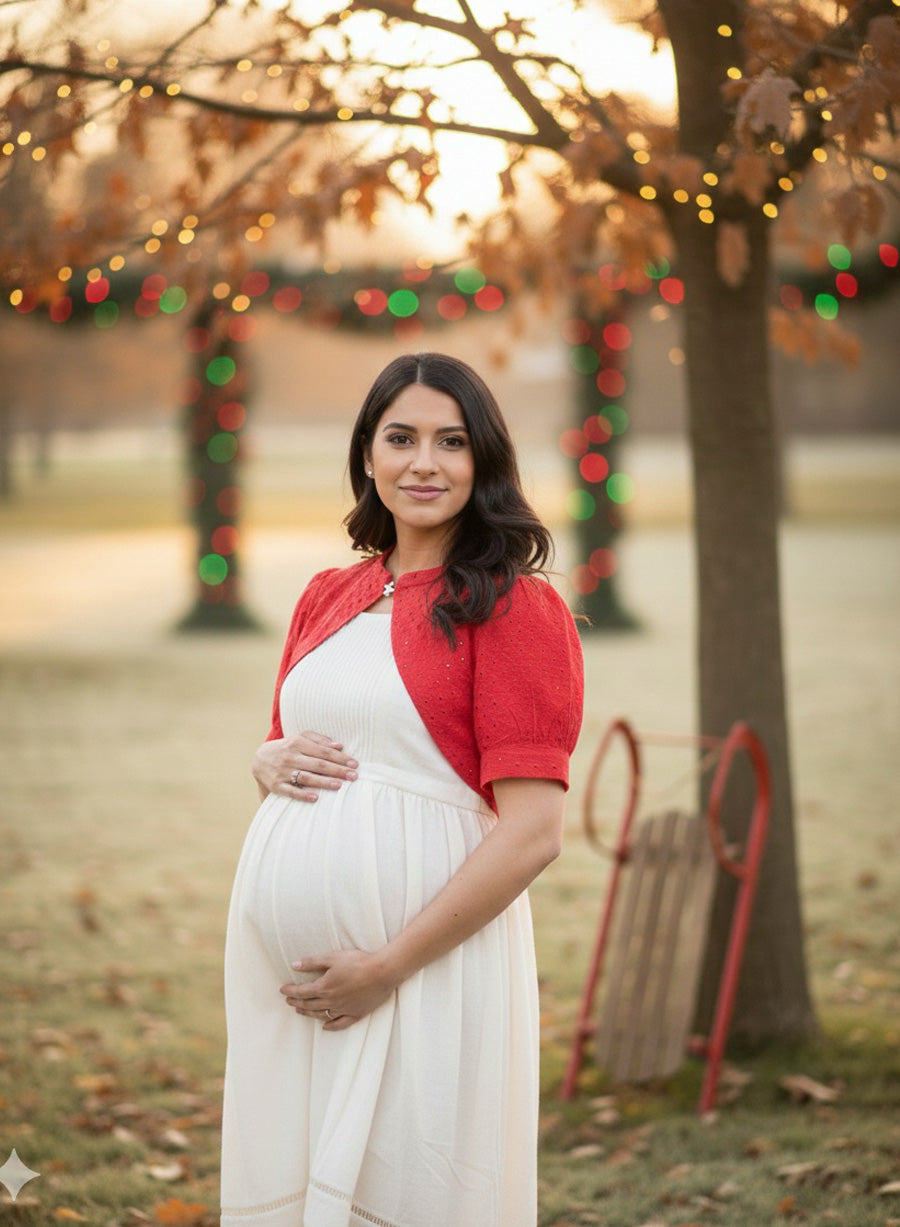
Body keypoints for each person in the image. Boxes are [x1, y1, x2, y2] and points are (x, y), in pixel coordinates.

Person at [220, 352, 584, 1227]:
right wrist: (261, 761)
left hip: (423, 969)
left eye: (452, 442)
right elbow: (288, 744)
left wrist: (386, 966)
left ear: (483, 461)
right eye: (402, 437)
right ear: (369, 454)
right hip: (295, 992)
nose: (425, 462)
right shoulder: (327, 593)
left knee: (407, 1191)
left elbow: (534, 831)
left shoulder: (513, 605)